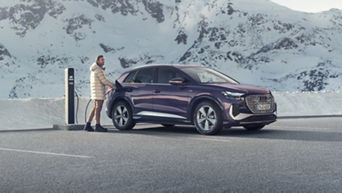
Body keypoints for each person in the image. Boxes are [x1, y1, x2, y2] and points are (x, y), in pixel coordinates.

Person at [84, 55, 116, 132]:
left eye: (103, 60)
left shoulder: (95, 69)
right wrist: (113, 86)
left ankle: (88, 124)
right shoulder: (98, 70)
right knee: (98, 108)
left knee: (95, 107)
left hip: (96, 90)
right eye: (102, 60)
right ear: (97, 61)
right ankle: (97, 125)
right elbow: (104, 81)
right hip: (98, 91)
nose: (103, 61)